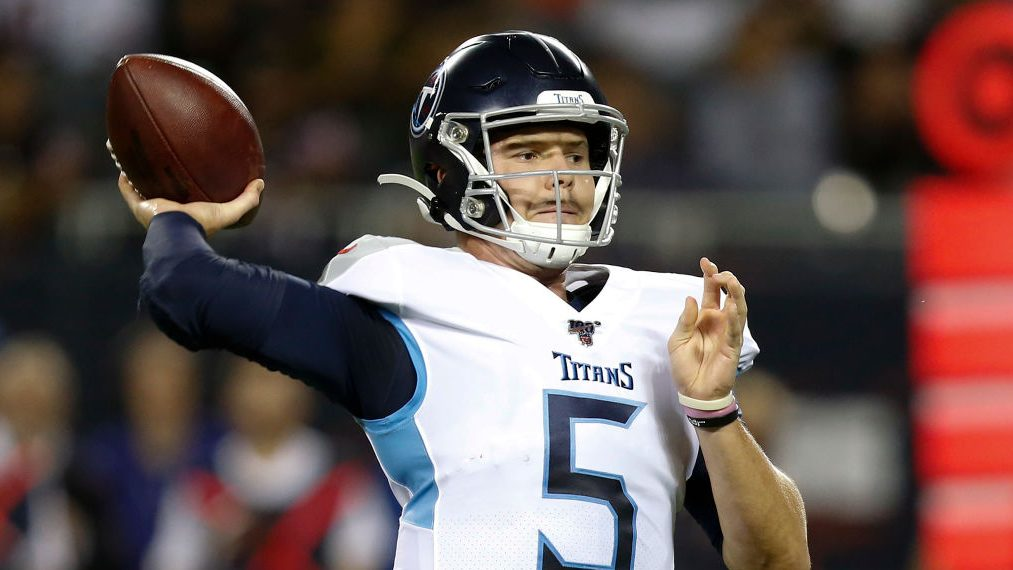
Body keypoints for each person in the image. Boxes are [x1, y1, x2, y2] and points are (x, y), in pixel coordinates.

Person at [114, 31, 809, 569]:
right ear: (451, 168)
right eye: (528, 153)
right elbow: (185, 293)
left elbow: (779, 561)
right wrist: (179, 214)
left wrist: (715, 415)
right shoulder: (408, 308)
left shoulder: (664, 324)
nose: (561, 176)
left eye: (574, 151)